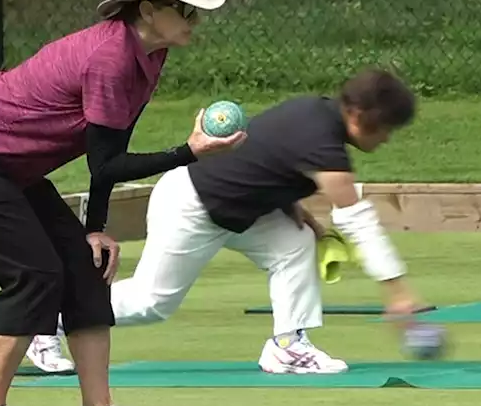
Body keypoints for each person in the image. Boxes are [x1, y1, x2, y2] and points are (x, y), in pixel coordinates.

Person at [0, 0, 245, 406]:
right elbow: (109, 165)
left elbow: (108, 151)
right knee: (34, 274)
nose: (195, 20)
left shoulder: (149, 54)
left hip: (10, 166)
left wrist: (95, 227)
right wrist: (190, 154)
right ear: (151, 9)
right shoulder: (110, 58)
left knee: (85, 269)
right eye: (187, 10)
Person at [96, 67, 429, 374]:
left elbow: (268, 156)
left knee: (293, 241)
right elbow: (359, 223)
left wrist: (287, 201)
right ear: (358, 114)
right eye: (386, 128)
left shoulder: (316, 112)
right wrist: (398, 293)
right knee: (151, 303)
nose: (386, 139)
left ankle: (288, 346)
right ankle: (52, 316)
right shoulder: (324, 142)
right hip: (192, 205)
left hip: (234, 206)